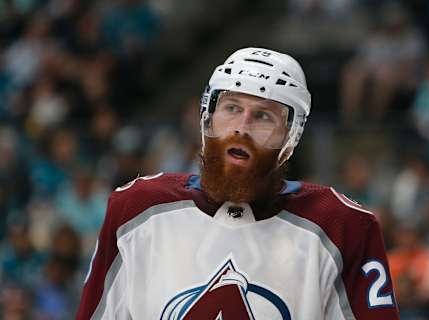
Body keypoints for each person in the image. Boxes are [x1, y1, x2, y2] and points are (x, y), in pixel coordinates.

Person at [76, 47, 400, 319]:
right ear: (207, 117)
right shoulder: (135, 210)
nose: (241, 128)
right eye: (232, 108)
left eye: (263, 116)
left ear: (291, 136)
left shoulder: (343, 226)